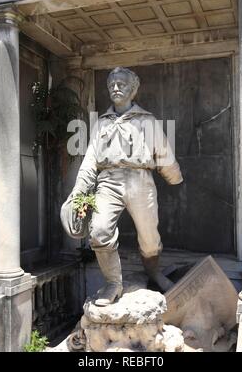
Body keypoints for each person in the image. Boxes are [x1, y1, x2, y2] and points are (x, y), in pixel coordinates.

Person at [62, 67, 183, 306]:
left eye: (122, 84)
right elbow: (89, 161)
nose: (116, 88)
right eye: (112, 84)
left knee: (149, 239)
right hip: (108, 182)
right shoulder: (101, 124)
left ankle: (153, 271)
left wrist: (174, 177)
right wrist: (78, 193)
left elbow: (164, 153)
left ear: (133, 89)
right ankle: (113, 284)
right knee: (98, 232)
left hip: (141, 180)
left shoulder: (146, 121)